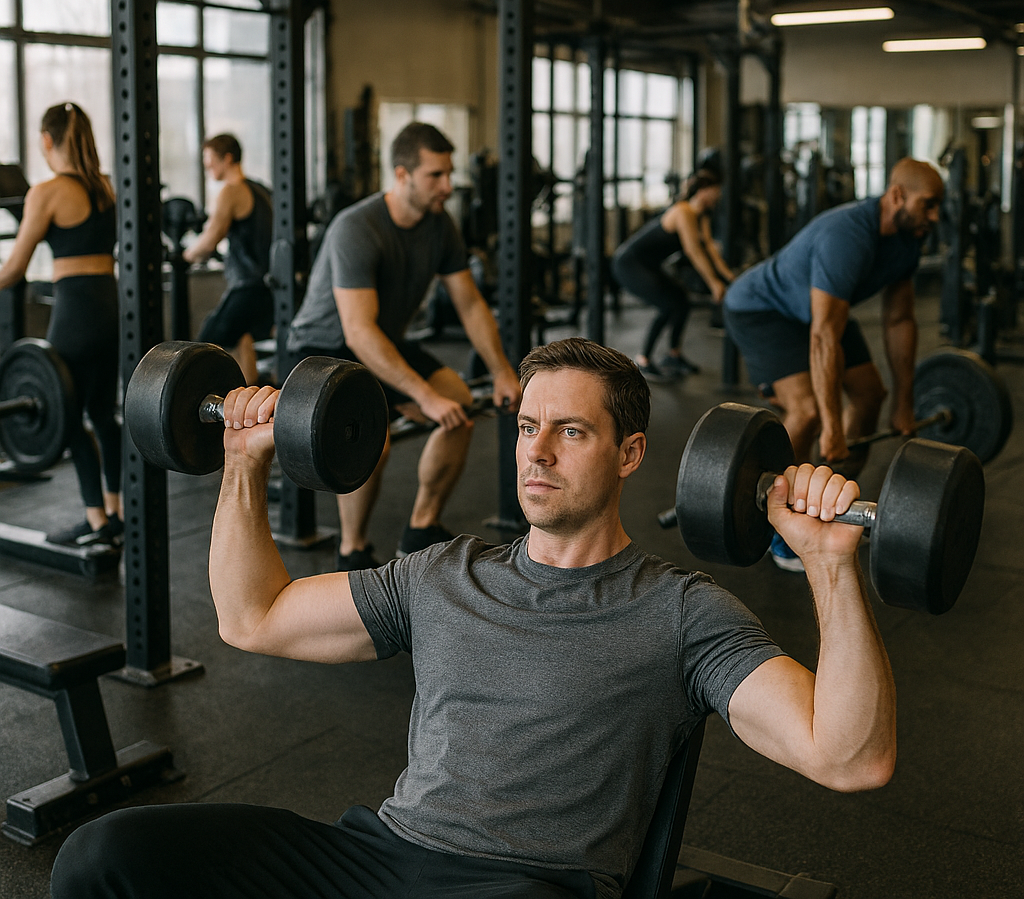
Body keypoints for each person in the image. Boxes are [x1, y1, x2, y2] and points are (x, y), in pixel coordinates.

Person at [50, 337, 896, 899]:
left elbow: (849, 757)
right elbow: (253, 614)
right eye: (529, 427)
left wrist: (829, 564)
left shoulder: (682, 613)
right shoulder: (444, 572)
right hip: (380, 857)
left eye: (571, 431)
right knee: (104, 858)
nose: (535, 450)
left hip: (526, 887)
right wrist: (242, 463)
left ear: (630, 453)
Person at [285, 121, 522, 568]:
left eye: (449, 173)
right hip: (321, 349)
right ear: (401, 175)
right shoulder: (356, 227)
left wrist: (501, 370)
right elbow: (357, 332)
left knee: (458, 406)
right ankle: (352, 549)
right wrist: (422, 396)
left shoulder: (440, 225)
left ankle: (420, 528)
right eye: (435, 175)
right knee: (374, 438)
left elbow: (470, 304)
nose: (448, 186)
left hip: (382, 340)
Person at [723, 158, 943, 571]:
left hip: (817, 313)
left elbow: (899, 320)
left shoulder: (909, 239)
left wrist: (904, 402)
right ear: (897, 195)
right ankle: (778, 527)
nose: (934, 216)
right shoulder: (848, 234)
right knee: (805, 411)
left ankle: (832, 502)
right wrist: (832, 425)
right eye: (928, 205)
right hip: (763, 309)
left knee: (870, 395)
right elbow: (824, 335)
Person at [0, 103, 122, 547]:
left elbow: (14, 269)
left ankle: (95, 521)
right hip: (111, 307)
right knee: (103, 415)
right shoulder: (107, 187)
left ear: (46, 139)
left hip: (74, 312)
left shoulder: (47, 192)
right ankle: (116, 511)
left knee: (64, 414)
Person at [612, 168, 733, 381]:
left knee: (681, 301)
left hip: (649, 265)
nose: (719, 196)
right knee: (667, 304)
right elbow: (693, 251)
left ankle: (673, 355)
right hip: (629, 264)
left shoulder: (701, 215)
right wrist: (714, 283)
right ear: (704, 191)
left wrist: (729, 277)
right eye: (716, 191)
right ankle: (643, 361)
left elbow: (710, 250)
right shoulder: (683, 211)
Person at [183, 134, 274, 385]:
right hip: (269, 287)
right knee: (241, 338)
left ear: (228, 158)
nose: (207, 166)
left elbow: (210, 239)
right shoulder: (261, 190)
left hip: (248, 287)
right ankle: (249, 399)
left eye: (211, 160)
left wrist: (183, 256)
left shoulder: (231, 192)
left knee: (204, 344)